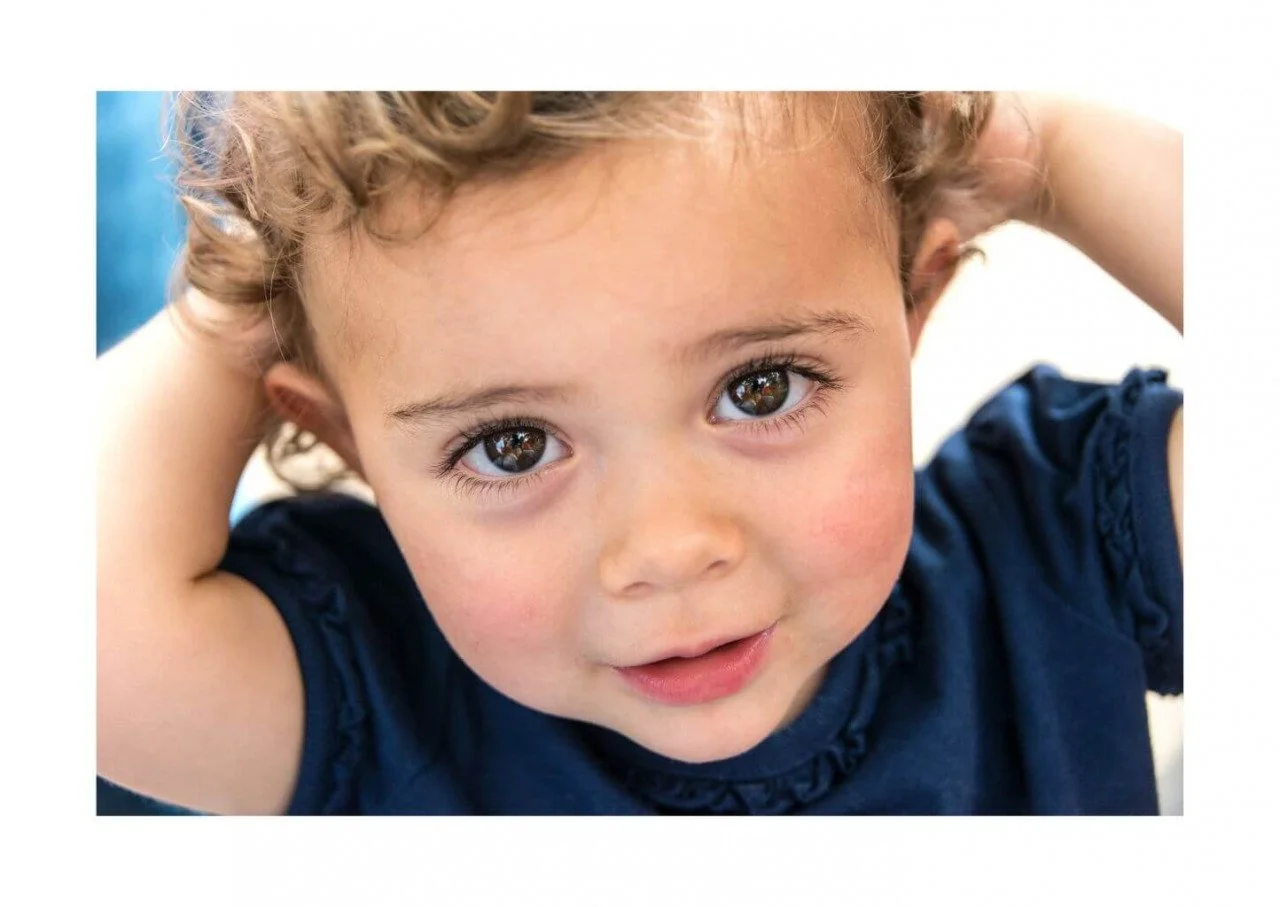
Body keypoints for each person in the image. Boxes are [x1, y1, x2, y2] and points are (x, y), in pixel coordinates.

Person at [96, 91, 1182, 815]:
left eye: (758, 387)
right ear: (349, 442)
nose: (666, 548)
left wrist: (1051, 150)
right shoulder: (379, 693)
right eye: (511, 445)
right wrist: (244, 301)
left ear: (911, 309)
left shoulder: (1052, 554)